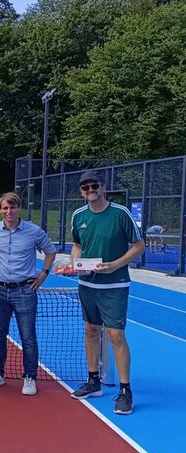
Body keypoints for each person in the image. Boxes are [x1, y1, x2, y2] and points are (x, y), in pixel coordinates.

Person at [70, 170, 144, 415]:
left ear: (102, 187)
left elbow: (139, 246)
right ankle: (94, 382)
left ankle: (125, 391)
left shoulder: (120, 213)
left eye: (94, 186)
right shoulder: (78, 215)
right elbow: (77, 245)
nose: (90, 191)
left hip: (115, 285)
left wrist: (114, 265)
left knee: (115, 336)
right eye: (85, 188)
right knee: (91, 331)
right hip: (87, 285)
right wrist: (76, 264)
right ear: (81, 192)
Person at [0, 192, 57, 396]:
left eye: (13, 207)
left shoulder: (34, 231)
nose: (9, 211)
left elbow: (51, 251)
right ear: (0, 210)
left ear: (19, 209)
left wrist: (44, 273)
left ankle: (30, 377)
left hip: (25, 291)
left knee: (28, 337)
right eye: (5, 208)